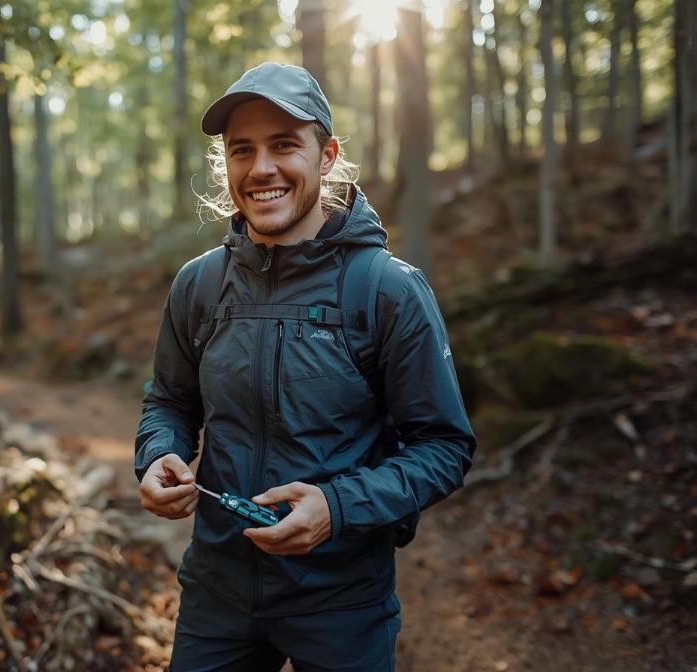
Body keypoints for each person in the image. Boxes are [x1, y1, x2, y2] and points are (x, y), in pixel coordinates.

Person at [135, 62, 476, 671]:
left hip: (342, 603)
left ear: (326, 156)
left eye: (285, 145)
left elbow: (443, 446)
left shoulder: (386, 290)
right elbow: (170, 401)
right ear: (227, 165)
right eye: (243, 150)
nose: (261, 168)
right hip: (217, 595)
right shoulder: (199, 286)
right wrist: (159, 451)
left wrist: (338, 508)